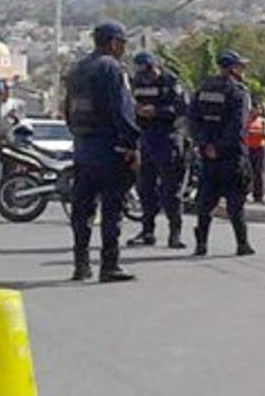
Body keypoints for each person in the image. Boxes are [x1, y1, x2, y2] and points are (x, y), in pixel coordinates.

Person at [64, 21, 141, 283]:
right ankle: (109, 265)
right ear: (112, 43)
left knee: (82, 210)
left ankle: (80, 265)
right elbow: (122, 111)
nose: (123, 49)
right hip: (110, 149)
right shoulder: (112, 68)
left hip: (83, 148)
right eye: (122, 43)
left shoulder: (76, 70)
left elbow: (68, 111)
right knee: (111, 209)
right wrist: (132, 144)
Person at [188, 50, 255, 256]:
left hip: (208, 156)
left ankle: (201, 244)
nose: (243, 71)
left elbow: (193, 120)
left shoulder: (203, 89)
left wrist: (206, 144)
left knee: (206, 201)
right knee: (235, 202)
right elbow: (238, 126)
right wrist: (220, 147)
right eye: (241, 67)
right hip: (231, 156)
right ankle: (242, 244)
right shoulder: (238, 92)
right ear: (233, 68)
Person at [127, 51, 187, 249]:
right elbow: (129, 104)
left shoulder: (170, 81)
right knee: (145, 188)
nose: (148, 76)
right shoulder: (137, 82)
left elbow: (182, 108)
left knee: (171, 189)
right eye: (144, 73)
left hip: (168, 137)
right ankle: (147, 231)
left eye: (150, 71)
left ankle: (175, 233)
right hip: (145, 138)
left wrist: (157, 111)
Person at [245, 104, 265, 204]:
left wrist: (253, 132)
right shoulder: (246, 120)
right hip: (248, 147)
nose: (256, 110)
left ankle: (259, 195)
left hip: (260, 148)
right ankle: (247, 193)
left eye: (258, 108)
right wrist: (254, 132)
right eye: (254, 108)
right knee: (248, 171)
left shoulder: (263, 121)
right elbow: (243, 131)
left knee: (259, 172)